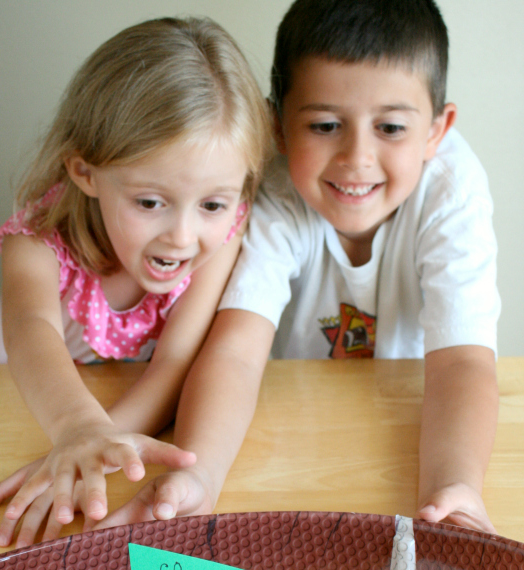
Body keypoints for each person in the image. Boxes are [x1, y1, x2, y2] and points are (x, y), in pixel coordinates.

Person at [100, 0, 501, 534]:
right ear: (278, 127)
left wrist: (455, 487)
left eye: (391, 128)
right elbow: (237, 351)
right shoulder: (275, 185)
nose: (357, 157)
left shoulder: (454, 191)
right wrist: (205, 472)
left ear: (436, 130)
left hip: (401, 406)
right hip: (298, 416)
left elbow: (462, 364)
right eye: (326, 125)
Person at [0, 16, 271, 547]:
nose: (183, 236)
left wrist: (102, 444)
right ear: (85, 172)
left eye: (211, 204)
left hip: (102, 448)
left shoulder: (224, 231)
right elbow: (29, 331)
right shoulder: (37, 241)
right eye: (149, 202)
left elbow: (175, 365)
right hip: (25, 426)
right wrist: (76, 429)